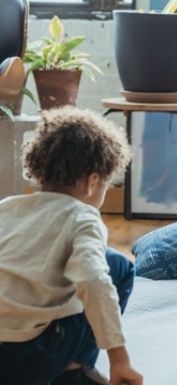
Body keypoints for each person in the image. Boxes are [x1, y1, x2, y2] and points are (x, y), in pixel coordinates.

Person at [0, 107, 144, 385]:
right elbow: (93, 280)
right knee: (118, 266)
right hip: (29, 359)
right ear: (92, 182)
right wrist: (119, 359)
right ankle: (75, 372)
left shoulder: (7, 207)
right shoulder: (81, 217)